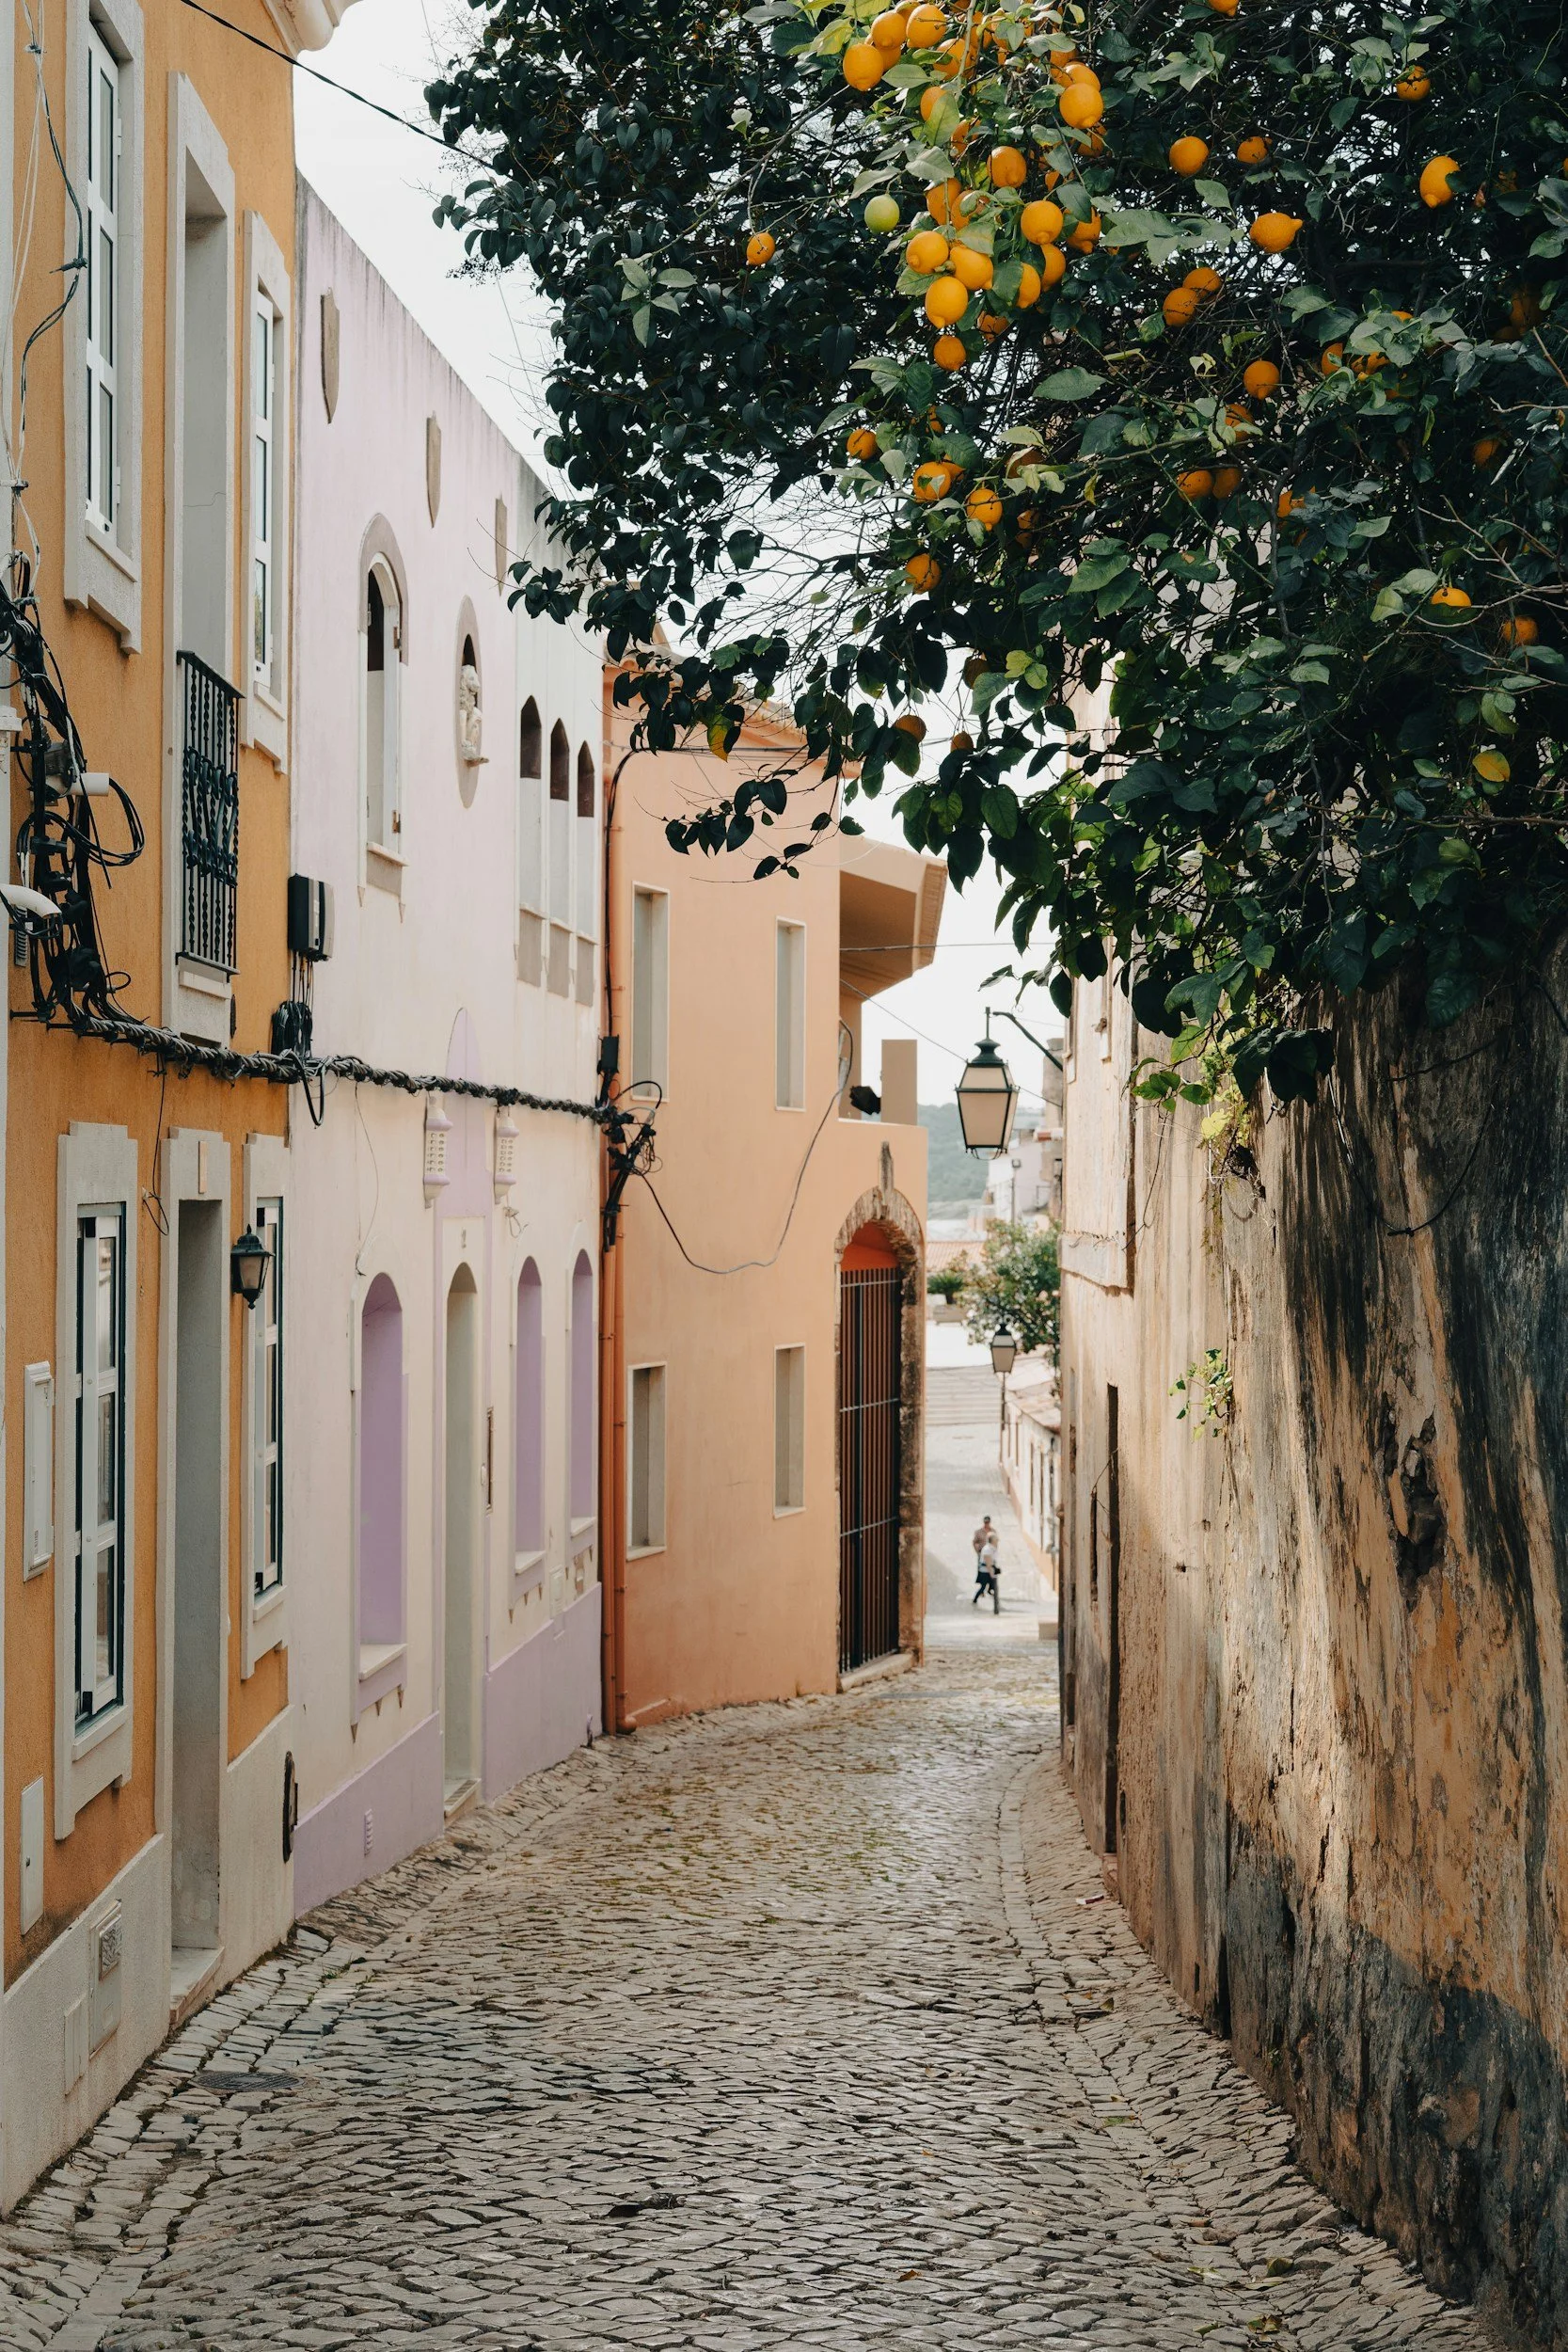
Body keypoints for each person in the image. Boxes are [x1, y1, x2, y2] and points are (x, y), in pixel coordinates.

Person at [974, 1529, 1001, 1612]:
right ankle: (975, 1599)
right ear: (992, 1540)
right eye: (996, 1540)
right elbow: (988, 1563)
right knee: (983, 1587)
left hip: (988, 1570)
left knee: (992, 1587)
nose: (997, 1541)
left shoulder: (992, 1548)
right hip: (985, 1571)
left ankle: (995, 1601)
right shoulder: (987, 1549)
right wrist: (992, 1573)